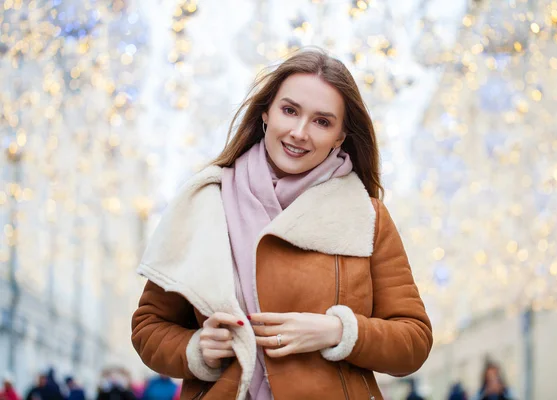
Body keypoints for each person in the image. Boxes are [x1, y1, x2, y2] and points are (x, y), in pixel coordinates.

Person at [131, 47, 433, 399]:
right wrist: (197, 347)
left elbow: (413, 341)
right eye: (289, 111)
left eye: (322, 121)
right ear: (265, 114)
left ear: (340, 136)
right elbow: (148, 327)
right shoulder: (205, 203)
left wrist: (337, 331)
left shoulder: (366, 216)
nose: (300, 132)